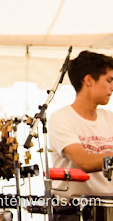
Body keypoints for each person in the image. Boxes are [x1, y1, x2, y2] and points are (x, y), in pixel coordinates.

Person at [48, 51, 113, 217]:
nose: (112, 87)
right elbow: (85, 162)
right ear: (89, 80)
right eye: (109, 80)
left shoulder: (110, 118)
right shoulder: (61, 118)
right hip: (72, 211)